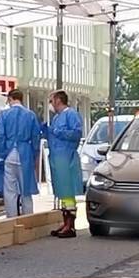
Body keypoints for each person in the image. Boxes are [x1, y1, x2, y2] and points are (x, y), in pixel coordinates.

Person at [0, 89, 42, 218]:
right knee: (26, 190)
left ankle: (11, 219)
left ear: (10, 98)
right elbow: (36, 137)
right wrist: (34, 154)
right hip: (25, 154)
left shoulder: (3, 115)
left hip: (8, 154)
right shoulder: (30, 115)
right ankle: (28, 218)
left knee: (9, 191)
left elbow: (0, 136)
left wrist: (2, 154)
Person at [44, 91, 84, 238]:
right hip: (57, 156)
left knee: (67, 190)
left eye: (52, 100)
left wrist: (57, 132)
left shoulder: (71, 114)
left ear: (59, 100)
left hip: (66, 156)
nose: (51, 104)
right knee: (62, 190)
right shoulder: (57, 118)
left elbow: (76, 133)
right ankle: (65, 222)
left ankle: (70, 225)